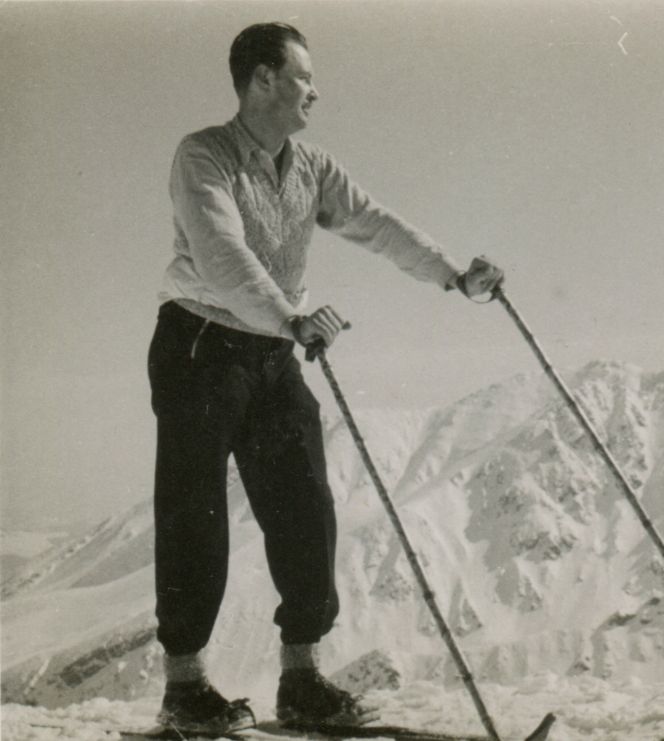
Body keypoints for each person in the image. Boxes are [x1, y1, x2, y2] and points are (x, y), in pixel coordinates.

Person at [147, 22, 503, 735]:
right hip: (201, 346)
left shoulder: (309, 166)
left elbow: (375, 223)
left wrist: (454, 275)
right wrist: (292, 316)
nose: (316, 89)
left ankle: (301, 677)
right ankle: (185, 688)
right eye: (304, 76)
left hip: (273, 350)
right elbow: (221, 254)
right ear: (263, 81)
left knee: (306, 504)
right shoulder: (204, 156)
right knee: (196, 515)